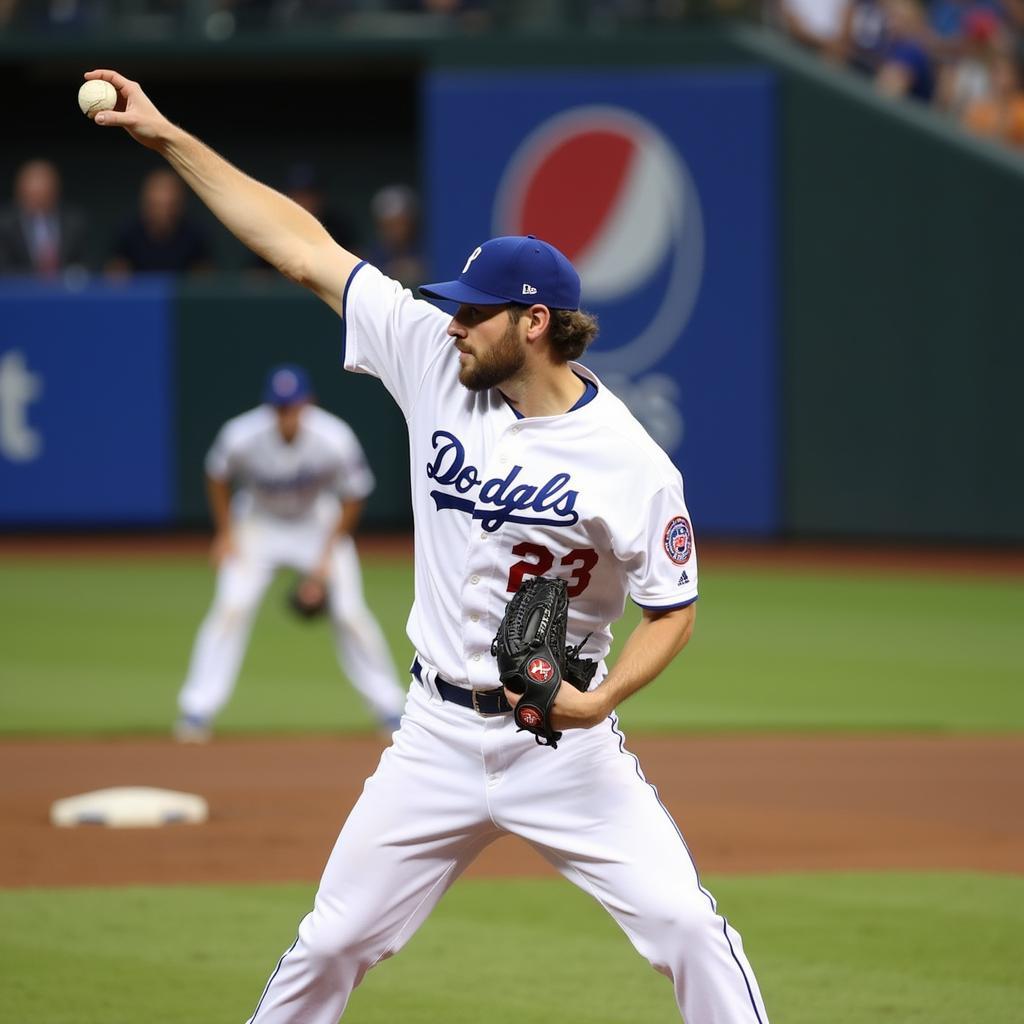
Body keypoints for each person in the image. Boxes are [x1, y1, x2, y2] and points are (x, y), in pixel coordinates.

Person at [86, 68, 771, 1023]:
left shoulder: (632, 463)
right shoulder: (430, 361)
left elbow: (676, 607)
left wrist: (602, 697)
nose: (450, 320)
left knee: (688, 930)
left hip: (561, 750)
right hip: (435, 735)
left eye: (474, 310)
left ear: (535, 324)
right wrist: (165, 137)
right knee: (332, 941)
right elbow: (300, 249)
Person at [174, 363, 407, 743]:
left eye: (293, 406)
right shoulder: (242, 434)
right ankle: (197, 709)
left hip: (318, 526)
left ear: (308, 403)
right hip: (258, 525)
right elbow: (216, 473)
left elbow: (355, 494)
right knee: (231, 607)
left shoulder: (333, 436)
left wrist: (325, 559)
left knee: (349, 613)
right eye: (279, 407)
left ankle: (389, 706)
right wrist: (226, 533)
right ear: (269, 406)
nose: (286, 414)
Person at [106, 167, 212, 276]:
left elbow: (203, 281)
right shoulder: (127, 232)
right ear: (146, 203)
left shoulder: (194, 233)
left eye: (170, 205)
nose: (163, 213)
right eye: (157, 205)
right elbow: (115, 278)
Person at [0, 158, 90, 276]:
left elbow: (84, 265)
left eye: (44, 195)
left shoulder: (74, 221)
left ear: (55, 192)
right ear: (20, 193)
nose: (38, 202)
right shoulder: (4, 223)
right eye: (33, 196)